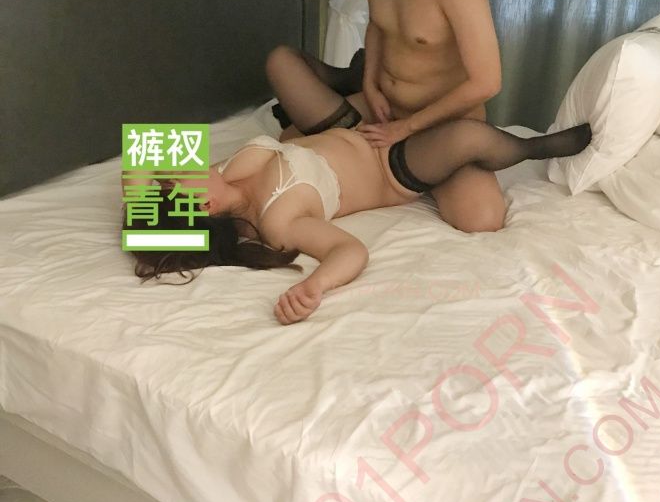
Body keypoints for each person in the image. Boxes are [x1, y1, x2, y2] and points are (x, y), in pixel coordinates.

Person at [125, 53, 591, 326]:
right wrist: (314, 285)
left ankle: (351, 78)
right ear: (203, 203)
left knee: (282, 60)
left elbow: (138, 152)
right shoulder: (278, 222)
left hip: (354, 125)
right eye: (174, 178)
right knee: (467, 139)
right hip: (390, 166)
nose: (174, 164)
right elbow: (350, 251)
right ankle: (534, 147)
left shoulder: (222, 173)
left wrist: (149, 214)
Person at [269, 0, 507, 235]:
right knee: (287, 140)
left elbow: (487, 82)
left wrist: (406, 128)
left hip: (441, 120)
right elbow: (379, 25)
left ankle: (410, 161)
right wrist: (370, 85)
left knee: (482, 219)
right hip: (383, 107)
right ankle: (361, 97)